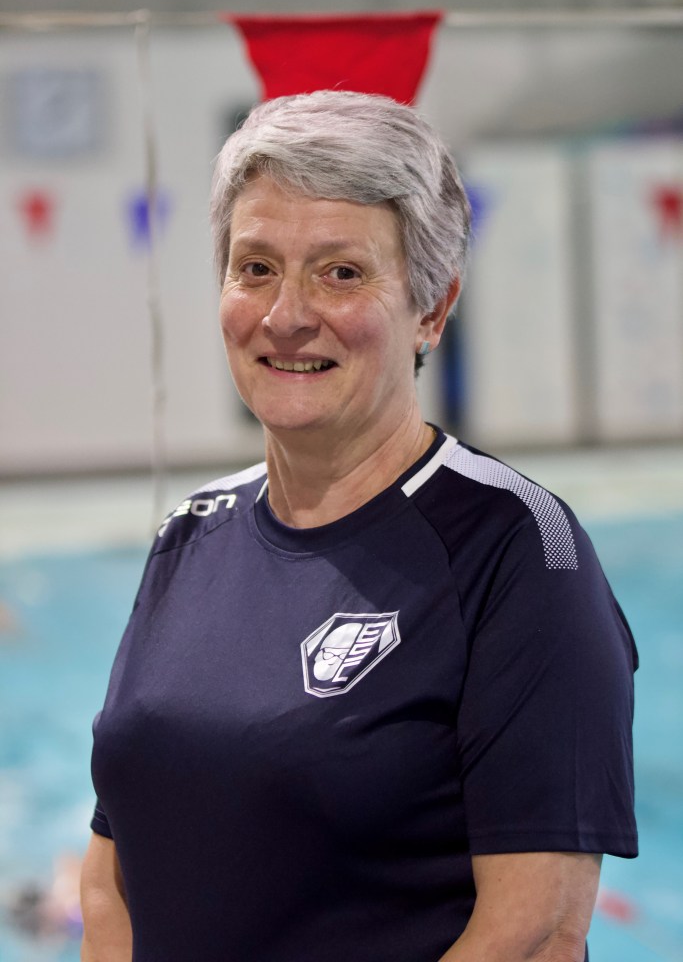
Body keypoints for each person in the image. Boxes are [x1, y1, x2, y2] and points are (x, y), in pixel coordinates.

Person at [80, 90, 638, 962]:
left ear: (431, 308)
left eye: (339, 273)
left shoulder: (518, 548)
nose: (285, 315)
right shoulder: (190, 534)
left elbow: (534, 935)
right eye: (255, 267)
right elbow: (110, 879)